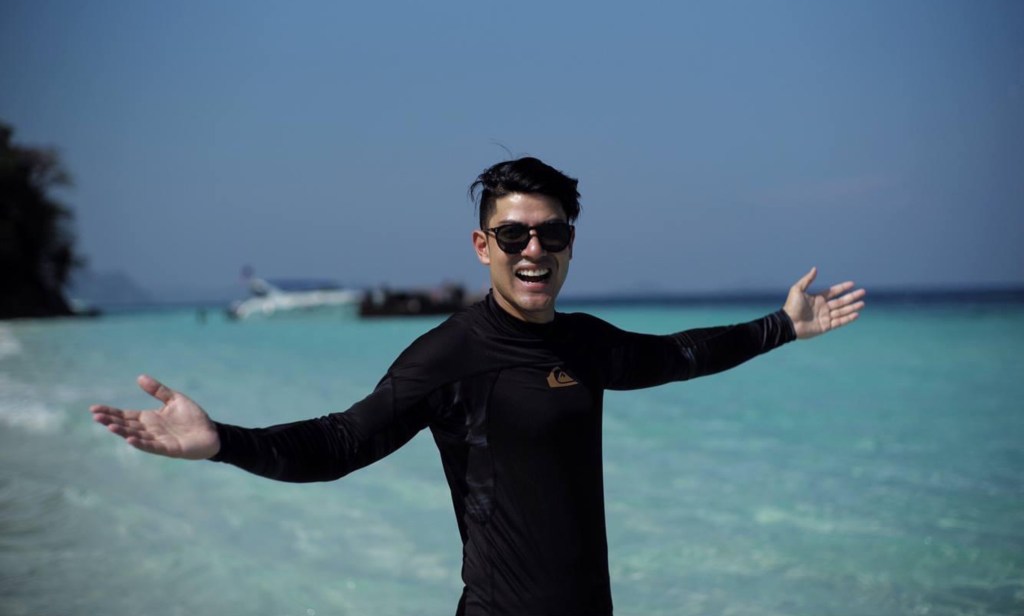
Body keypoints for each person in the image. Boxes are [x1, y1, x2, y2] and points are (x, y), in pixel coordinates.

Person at [90, 157, 865, 616]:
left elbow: (680, 354)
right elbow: (341, 441)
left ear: (570, 244)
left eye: (551, 233)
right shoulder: (449, 355)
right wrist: (221, 442)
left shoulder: (585, 343)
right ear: (481, 246)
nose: (533, 249)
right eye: (513, 234)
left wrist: (782, 326)